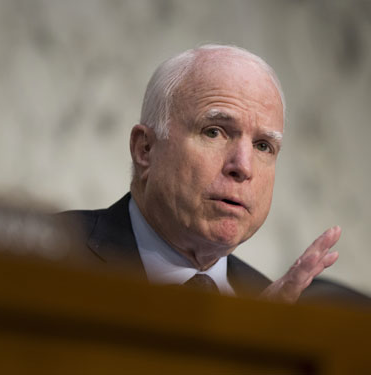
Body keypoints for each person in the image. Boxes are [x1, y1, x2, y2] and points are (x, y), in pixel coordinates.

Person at [63, 44, 341, 303]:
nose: (243, 167)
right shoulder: (50, 257)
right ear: (145, 149)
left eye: (263, 146)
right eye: (214, 132)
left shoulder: (265, 306)